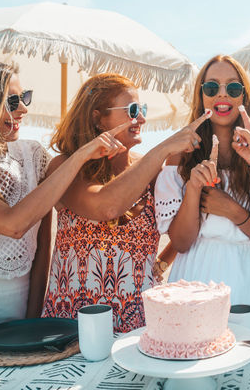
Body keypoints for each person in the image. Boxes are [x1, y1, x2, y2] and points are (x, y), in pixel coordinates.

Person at [0, 60, 125, 328]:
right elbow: (13, 224)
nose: (24, 109)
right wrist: (79, 157)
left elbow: (42, 246)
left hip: (19, 304)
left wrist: (32, 316)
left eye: (25, 97)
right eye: (12, 101)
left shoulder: (33, 155)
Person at [40, 73, 208, 333]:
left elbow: (181, 232)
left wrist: (162, 263)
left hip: (139, 323)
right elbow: (105, 207)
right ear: (98, 118)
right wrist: (163, 148)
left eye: (142, 109)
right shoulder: (64, 167)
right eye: (132, 110)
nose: (141, 118)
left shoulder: (154, 172)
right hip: (71, 323)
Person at [154, 55, 250, 334]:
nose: (222, 95)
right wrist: (194, 189)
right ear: (200, 95)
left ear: (245, 96)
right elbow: (180, 242)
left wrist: (232, 210)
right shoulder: (180, 157)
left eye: (233, 88)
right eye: (211, 88)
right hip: (194, 278)